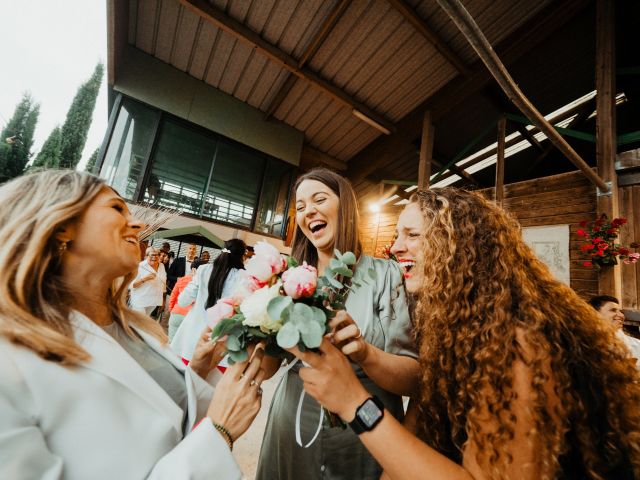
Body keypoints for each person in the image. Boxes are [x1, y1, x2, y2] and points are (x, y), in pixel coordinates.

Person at [287, 188, 640, 480]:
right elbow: (418, 425)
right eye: (397, 235)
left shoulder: (519, 343)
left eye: (412, 235)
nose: (395, 248)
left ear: (459, 247)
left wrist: (354, 403)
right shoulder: (455, 331)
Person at [0, 170, 266, 479]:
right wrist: (219, 434)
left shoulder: (132, 329)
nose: (138, 225)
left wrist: (197, 368)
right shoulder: (9, 363)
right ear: (62, 226)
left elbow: (158, 415)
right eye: (116, 208)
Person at [255, 168, 419, 480]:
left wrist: (364, 352)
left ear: (345, 207)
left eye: (319, 199)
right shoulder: (284, 279)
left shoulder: (387, 276)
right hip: (292, 424)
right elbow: (267, 369)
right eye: (300, 207)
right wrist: (252, 325)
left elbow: (414, 377)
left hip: (362, 435)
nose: (308, 211)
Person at [170, 239, 246, 361]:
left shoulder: (203, 269)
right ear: (242, 256)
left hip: (192, 335)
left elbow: (183, 301)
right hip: (221, 340)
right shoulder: (243, 277)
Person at [589, 294, 640, 366]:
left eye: (621, 311)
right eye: (613, 310)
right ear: (595, 314)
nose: (622, 315)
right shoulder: (585, 345)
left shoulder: (637, 345)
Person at [167, 258, 204, 342]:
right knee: (184, 343)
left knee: (171, 341)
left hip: (176, 313)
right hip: (190, 316)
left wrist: (171, 309)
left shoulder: (182, 279)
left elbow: (173, 295)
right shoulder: (202, 283)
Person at [130, 247, 167, 316]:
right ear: (146, 256)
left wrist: (164, 300)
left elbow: (163, 283)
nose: (154, 257)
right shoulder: (140, 266)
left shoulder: (162, 266)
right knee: (140, 322)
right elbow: (131, 285)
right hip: (140, 300)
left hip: (154, 300)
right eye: (152, 255)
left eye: (157, 255)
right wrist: (144, 279)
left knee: (143, 321)